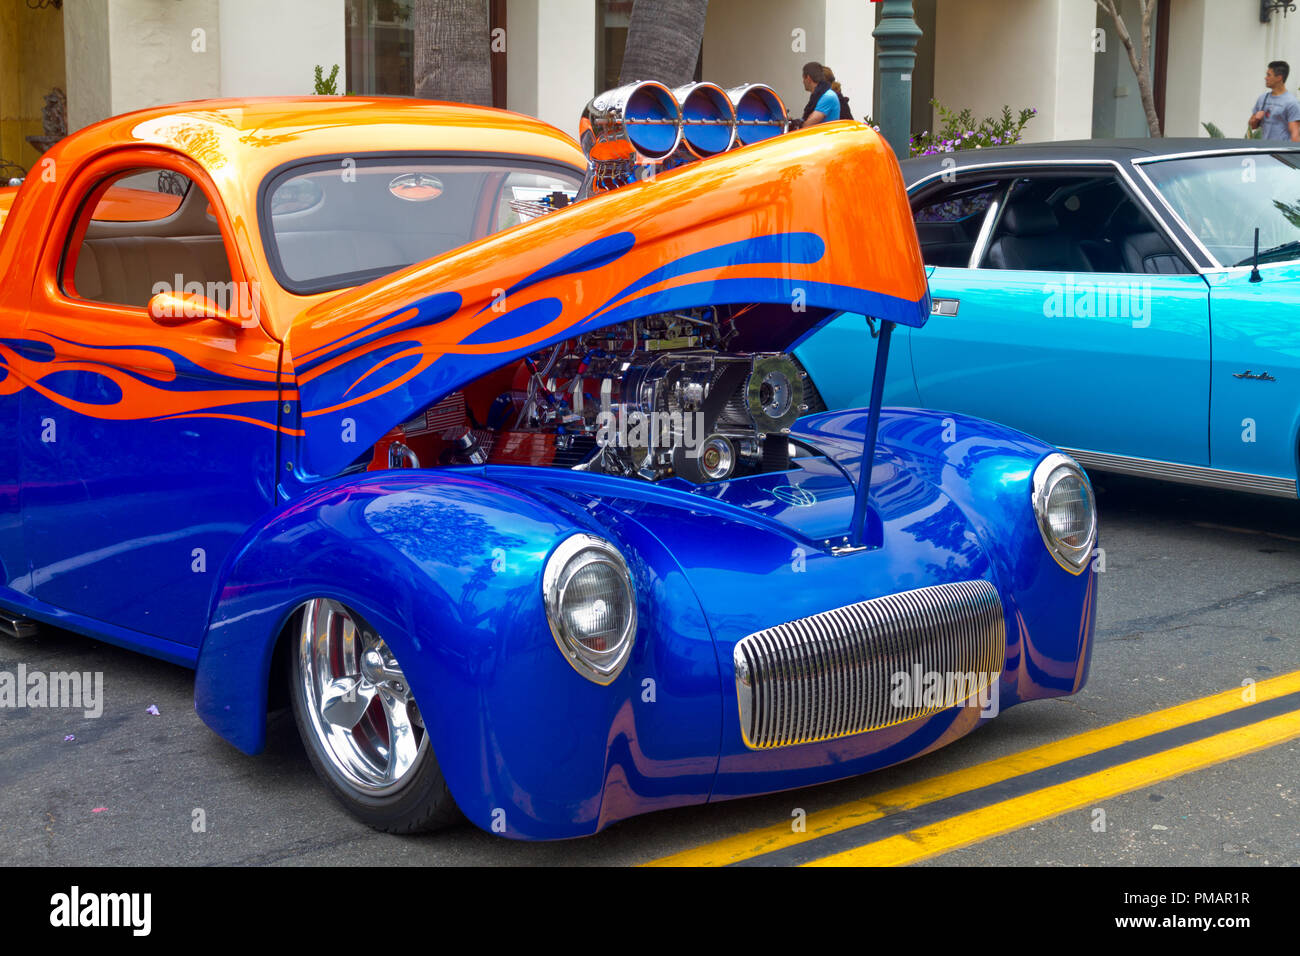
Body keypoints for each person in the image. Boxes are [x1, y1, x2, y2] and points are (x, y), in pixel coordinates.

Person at [1249, 61, 1300, 142]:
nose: (1265, 78)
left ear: (1279, 78)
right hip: (1264, 150)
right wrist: (1256, 118)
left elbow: (1295, 134)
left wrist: (1293, 154)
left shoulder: (1291, 102)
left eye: (1269, 75)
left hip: (1280, 151)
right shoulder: (1262, 98)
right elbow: (1252, 126)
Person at [800, 62, 839, 127]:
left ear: (808, 78)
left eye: (803, 78)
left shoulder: (828, 96)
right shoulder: (818, 95)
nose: (803, 81)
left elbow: (808, 125)